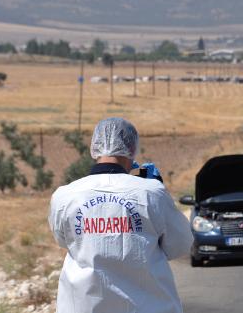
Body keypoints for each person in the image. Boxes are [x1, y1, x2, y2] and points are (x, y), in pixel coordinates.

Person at [48, 117, 193, 313]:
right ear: (132, 149)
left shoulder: (65, 196)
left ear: (94, 148)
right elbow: (181, 244)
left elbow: (64, 241)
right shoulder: (151, 192)